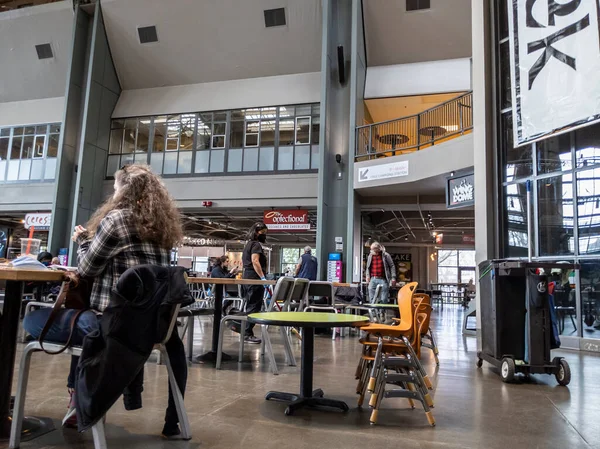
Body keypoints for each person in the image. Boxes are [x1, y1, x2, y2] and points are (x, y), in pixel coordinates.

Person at [23, 164, 186, 437]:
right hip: (153, 326)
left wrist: (83, 240)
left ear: (123, 190)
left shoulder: (117, 219)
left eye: (115, 188)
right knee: (85, 317)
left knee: (34, 320)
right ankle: (82, 400)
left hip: (115, 327)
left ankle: (79, 400)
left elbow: (86, 269)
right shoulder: (162, 230)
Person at [230, 222, 268, 344]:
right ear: (257, 232)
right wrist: (262, 277)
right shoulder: (256, 245)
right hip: (254, 279)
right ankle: (245, 331)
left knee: (250, 305)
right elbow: (255, 261)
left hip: (248, 277)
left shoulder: (248, 245)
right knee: (254, 307)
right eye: (264, 232)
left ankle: (241, 327)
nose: (265, 235)